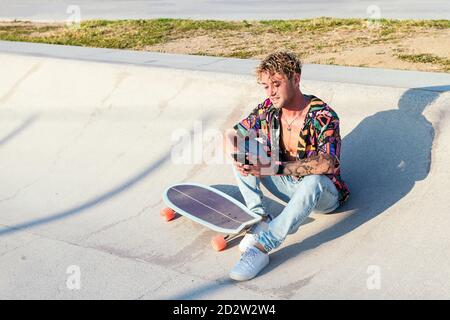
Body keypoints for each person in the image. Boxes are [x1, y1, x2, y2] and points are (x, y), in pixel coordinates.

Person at [225, 51, 350, 281]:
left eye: (276, 84)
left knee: (314, 180)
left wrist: (273, 168)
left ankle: (263, 247)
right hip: (286, 185)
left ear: (296, 79)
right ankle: (260, 219)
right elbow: (234, 134)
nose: (270, 92)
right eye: (265, 86)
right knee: (244, 149)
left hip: (323, 196)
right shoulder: (268, 109)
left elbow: (327, 164)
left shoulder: (323, 115)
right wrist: (241, 157)